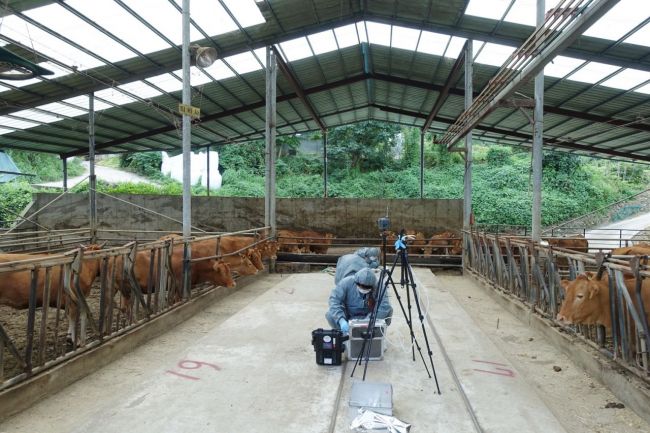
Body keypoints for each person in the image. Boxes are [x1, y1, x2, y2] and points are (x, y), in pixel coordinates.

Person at [326, 268, 392, 333]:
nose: (364, 289)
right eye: (361, 286)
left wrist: (367, 322)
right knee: (330, 314)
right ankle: (344, 334)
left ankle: (376, 333)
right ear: (356, 282)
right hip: (349, 315)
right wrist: (341, 320)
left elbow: (384, 306)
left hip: (371, 317)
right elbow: (334, 301)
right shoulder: (346, 283)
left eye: (367, 287)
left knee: (389, 311)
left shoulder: (380, 286)